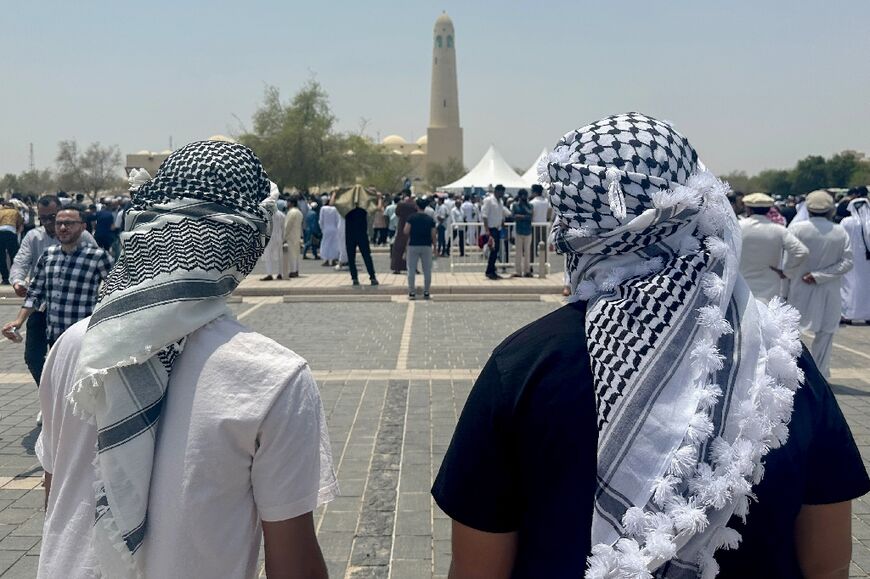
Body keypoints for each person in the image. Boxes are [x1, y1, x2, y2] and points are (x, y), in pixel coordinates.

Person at [432, 113, 869, 578]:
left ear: (576, 225)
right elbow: (829, 563)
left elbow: (478, 568)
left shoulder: (523, 366)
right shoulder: (779, 361)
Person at [33, 140, 336, 579]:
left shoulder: (75, 346)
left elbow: (56, 496)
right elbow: (293, 564)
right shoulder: (273, 378)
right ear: (249, 241)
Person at [8, 196, 96, 385]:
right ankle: (48, 393)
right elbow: (21, 262)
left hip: (74, 311)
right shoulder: (33, 238)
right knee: (33, 358)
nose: (49, 223)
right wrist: (17, 282)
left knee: (71, 360)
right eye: (44, 218)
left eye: (52, 218)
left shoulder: (85, 239)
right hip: (41, 308)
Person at [2, 207, 112, 349]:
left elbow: (115, 290)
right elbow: (35, 293)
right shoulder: (49, 255)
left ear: (82, 227)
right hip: (55, 336)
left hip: (84, 336)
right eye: (58, 223)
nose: (63, 227)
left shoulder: (98, 257)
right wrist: (18, 321)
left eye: (69, 223)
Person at [787, 190, 854, 378]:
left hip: (798, 288)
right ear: (831, 210)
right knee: (825, 333)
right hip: (829, 290)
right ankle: (820, 376)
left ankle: (794, 374)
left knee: (795, 332)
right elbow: (847, 262)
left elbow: (786, 262)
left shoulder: (796, 229)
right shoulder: (840, 231)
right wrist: (820, 276)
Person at [738, 192, 807, 303]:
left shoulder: (738, 226)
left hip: (741, 283)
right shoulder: (779, 230)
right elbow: (801, 252)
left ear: (748, 209)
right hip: (770, 285)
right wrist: (787, 272)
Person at [841, 189, 870, 323]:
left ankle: (850, 314)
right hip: (866, 261)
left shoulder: (846, 222)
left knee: (851, 285)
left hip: (852, 259)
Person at [405, 196, 437, 300]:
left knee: (411, 269)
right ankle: (426, 291)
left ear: (416, 206)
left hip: (413, 245)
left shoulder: (411, 218)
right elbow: (433, 235)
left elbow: (406, 231)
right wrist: (435, 247)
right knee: (427, 270)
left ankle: (411, 292)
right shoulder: (430, 219)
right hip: (426, 245)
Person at [345, 204, 379, 287]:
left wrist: (335, 193)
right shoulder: (363, 208)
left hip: (350, 235)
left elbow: (332, 204)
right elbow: (375, 208)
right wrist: (379, 198)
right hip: (361, 235)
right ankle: (372, 277)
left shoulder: (346, 209)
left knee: (351, 257)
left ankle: (355, 278)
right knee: (367, 256)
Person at [481, 184, 507, 280]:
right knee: (493, 250)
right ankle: (489, 271)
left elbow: (501, 215)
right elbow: (484, 215)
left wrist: (503, 224)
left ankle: (492, 270)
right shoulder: (488, 200)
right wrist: (487, 229)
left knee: (495, 251)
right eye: (501, 192)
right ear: (496, 191)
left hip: (498, 228)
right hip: (491, 229)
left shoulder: (500, 201)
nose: (502, 194)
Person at [261, 190, 286, 281]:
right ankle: (280, 274)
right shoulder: (281, 215)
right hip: (278, 238)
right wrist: (283, 238)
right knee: (280, 256)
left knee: (268, 256)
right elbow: (284, 228)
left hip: (268, 239)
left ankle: (269, 274)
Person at [391, 190, 416, 274]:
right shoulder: (413, 204)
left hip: (402, 227)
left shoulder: (401, 204)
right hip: (412, 228)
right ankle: (413, 267)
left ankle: (397, 268)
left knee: (398, 249)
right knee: (412, 249)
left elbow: (397, 213)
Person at [511, 189, 533, 277]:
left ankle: (527, 271)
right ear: (519, 196)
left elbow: (530, 216)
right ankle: (518, 271)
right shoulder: (515, 205)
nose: (524, 197)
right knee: (518, 252)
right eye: (522, 195)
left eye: (525, 195)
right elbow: (513, 216)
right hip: (519, 231)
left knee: (527, 252)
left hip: (527, 231)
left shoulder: (530, 205)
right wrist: (524, 216)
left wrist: (520, 215)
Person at [0, 200, 23, 284]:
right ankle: (14, 277)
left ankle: (5, 278)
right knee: (14, 255)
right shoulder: (15, 212)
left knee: (1, 257)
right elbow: (20, 224)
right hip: (11, 233)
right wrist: (16, 233)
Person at [284, 196, 304, 279]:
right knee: (296, 254)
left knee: (291, 254)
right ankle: (296, 270)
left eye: (288, 202)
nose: (287, 204)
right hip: (297, 235)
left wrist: (284, 236)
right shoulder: (299, 212)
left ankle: (293, 271)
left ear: (291, 203)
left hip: (291, 236)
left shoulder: (291, 212)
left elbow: (287, 226)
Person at [318, 196, 341, 266]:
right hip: (334, 229)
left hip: (326, 229)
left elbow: (321, 220)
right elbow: (337, 220)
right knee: (334, 245)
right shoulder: (335, 209)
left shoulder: (323, 209)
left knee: (325, 244)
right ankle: (334, 260)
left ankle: (326, 260)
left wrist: (322, 229)